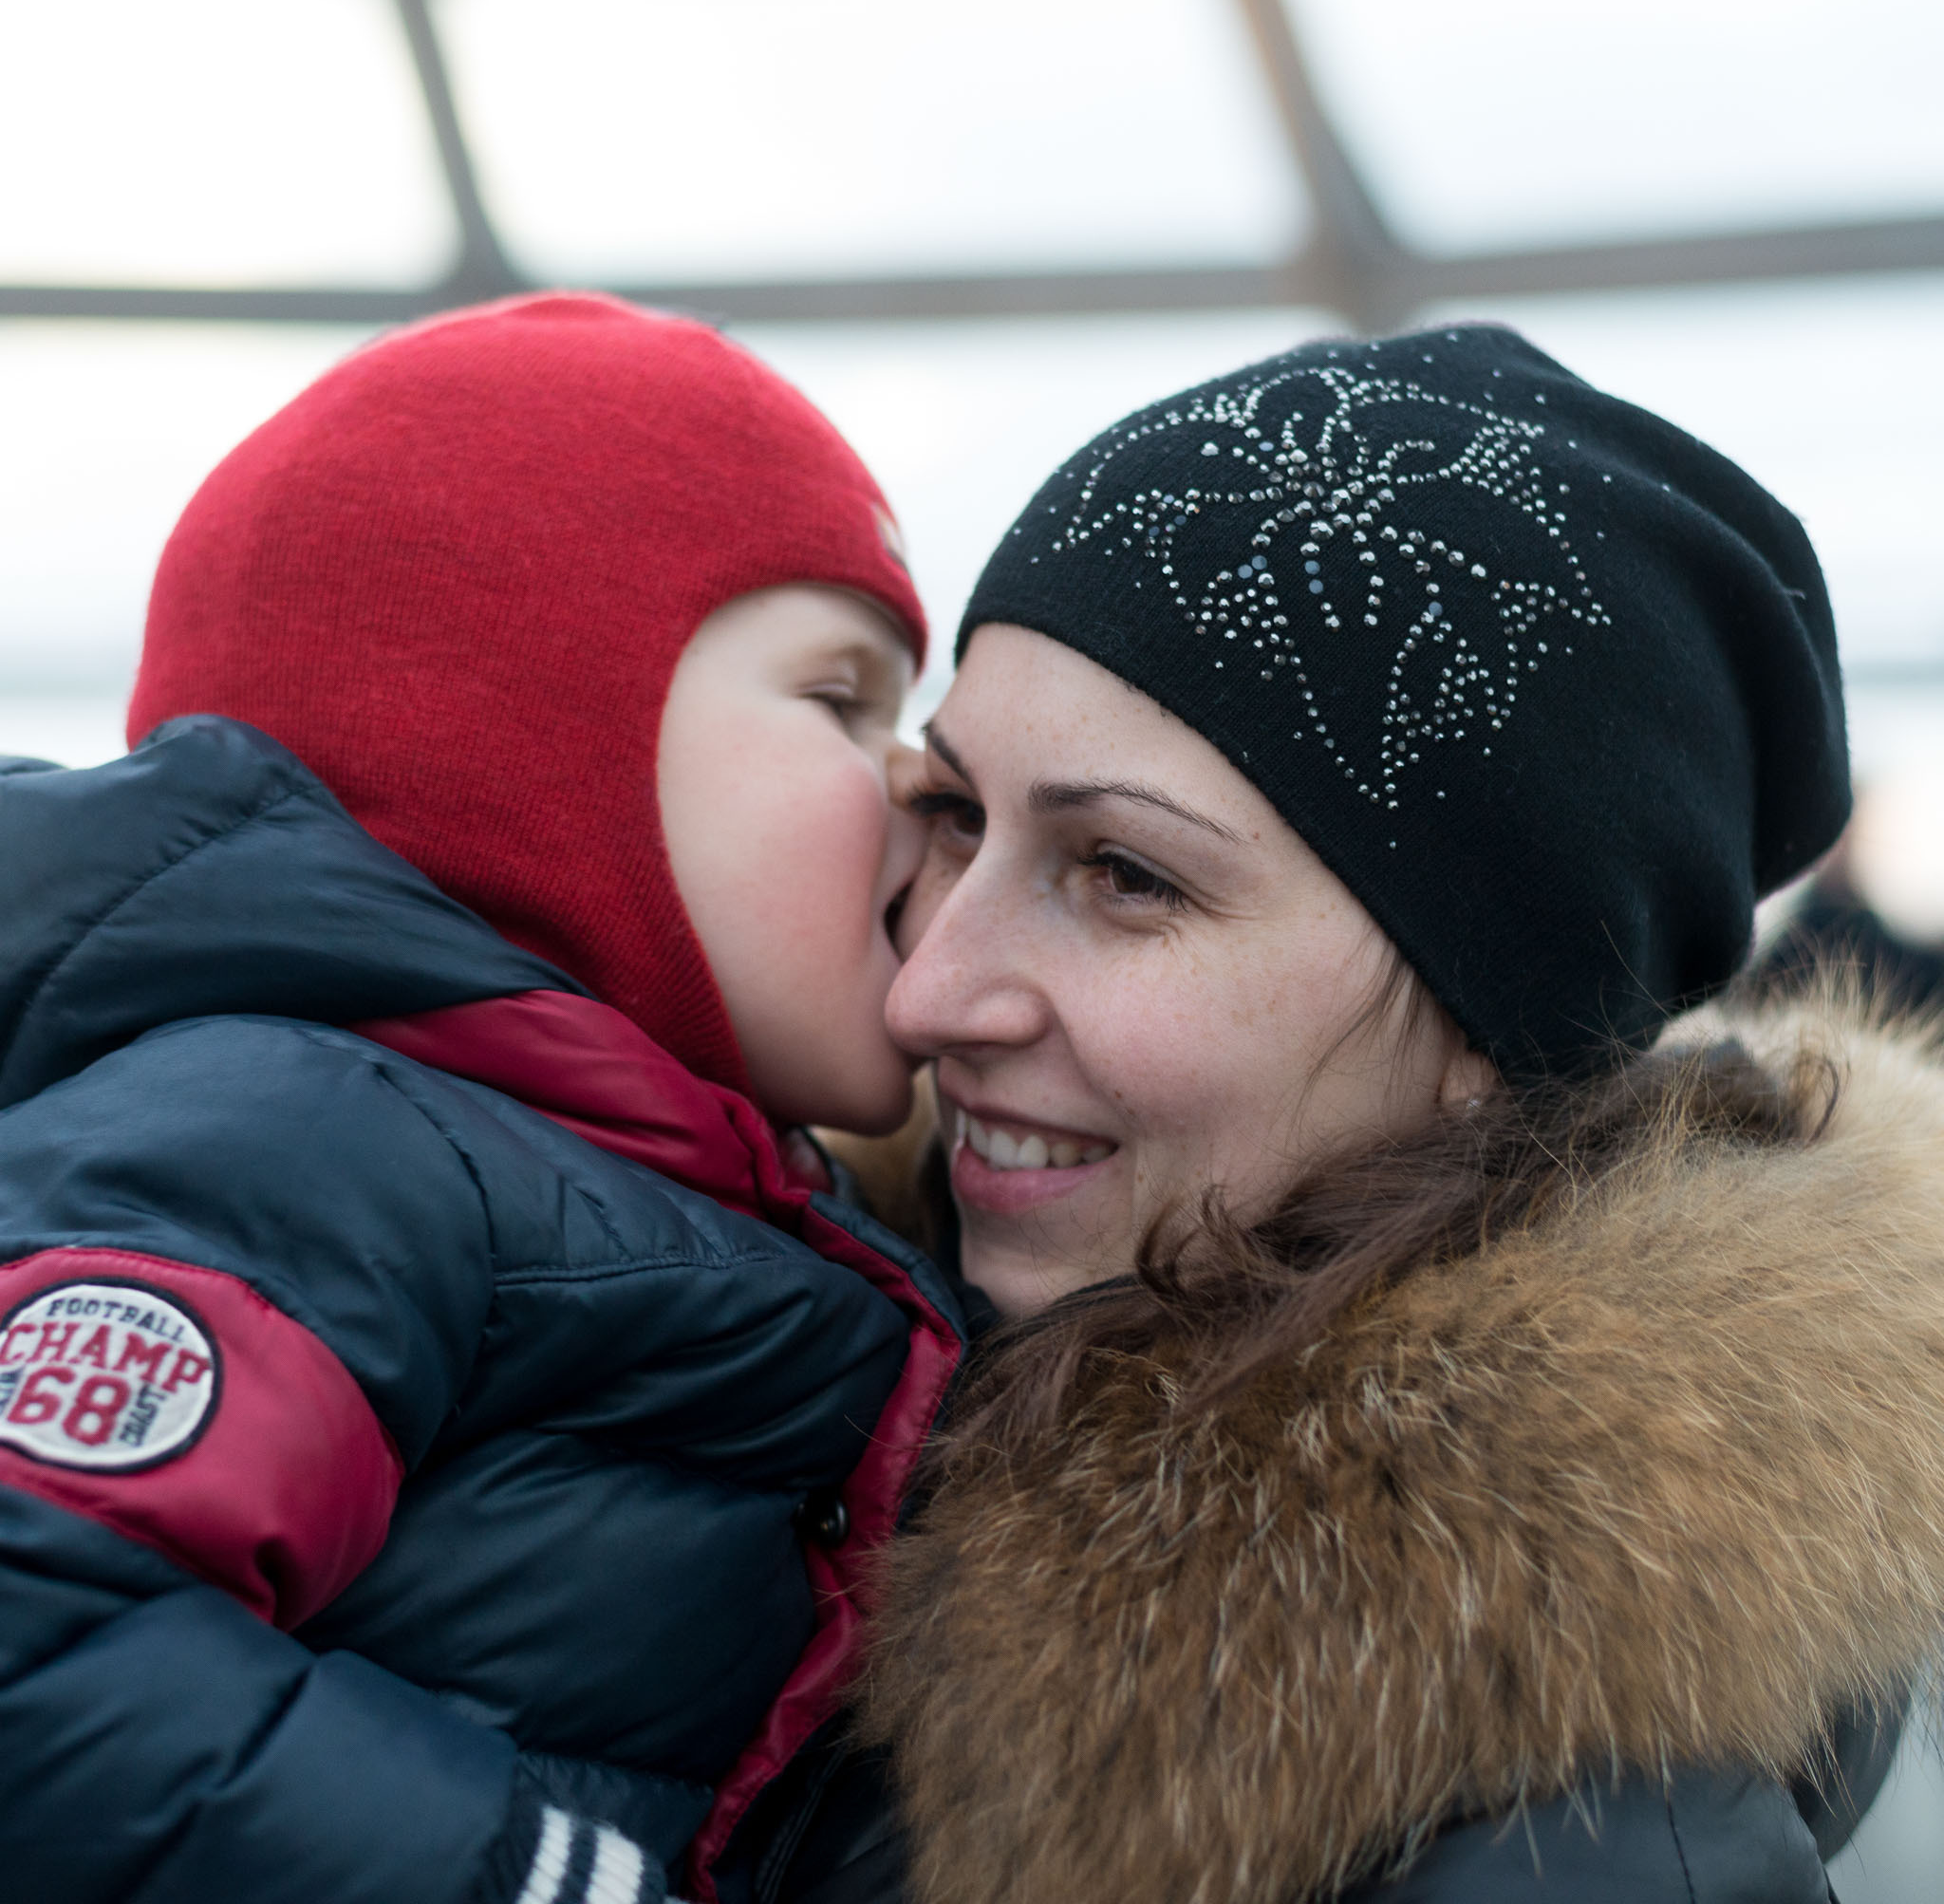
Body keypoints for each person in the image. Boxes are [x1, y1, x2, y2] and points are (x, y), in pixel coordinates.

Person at [776, 327, 1944, 1903]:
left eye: (1126, 875)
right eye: (955, 815)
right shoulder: (786, 1347)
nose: (929, 996)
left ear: (1495, 1018)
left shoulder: (1590, 1848)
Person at [0, 292, 963, 1904]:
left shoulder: (693, 1182)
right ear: (534, 744)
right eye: (842, 701)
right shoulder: (299, 1140)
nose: (923, 780)